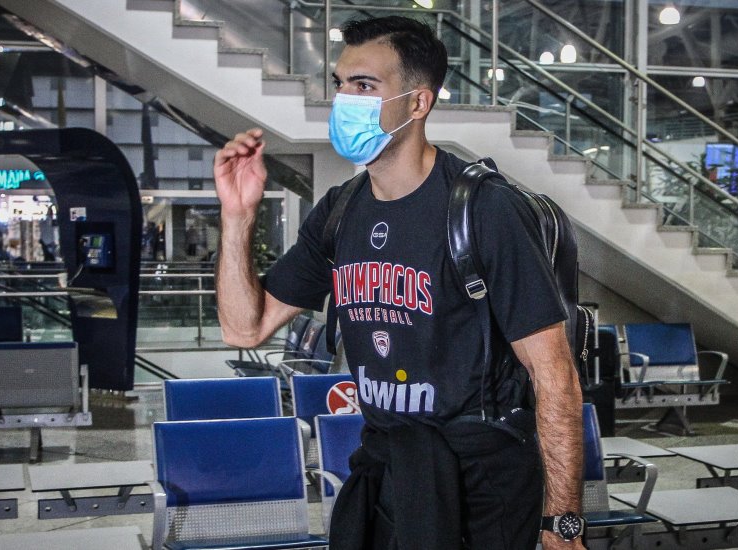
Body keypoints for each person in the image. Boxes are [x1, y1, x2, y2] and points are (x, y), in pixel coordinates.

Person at [213, 16, 585, 549]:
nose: (344, 100)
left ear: (418, 103)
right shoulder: (340, 211)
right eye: (341, 84)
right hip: (389, 467)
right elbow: (244, 329)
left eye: (365, 86)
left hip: (482, 482)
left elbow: (554, 375)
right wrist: (237, 216)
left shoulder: (485, 209)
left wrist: (563, 524)